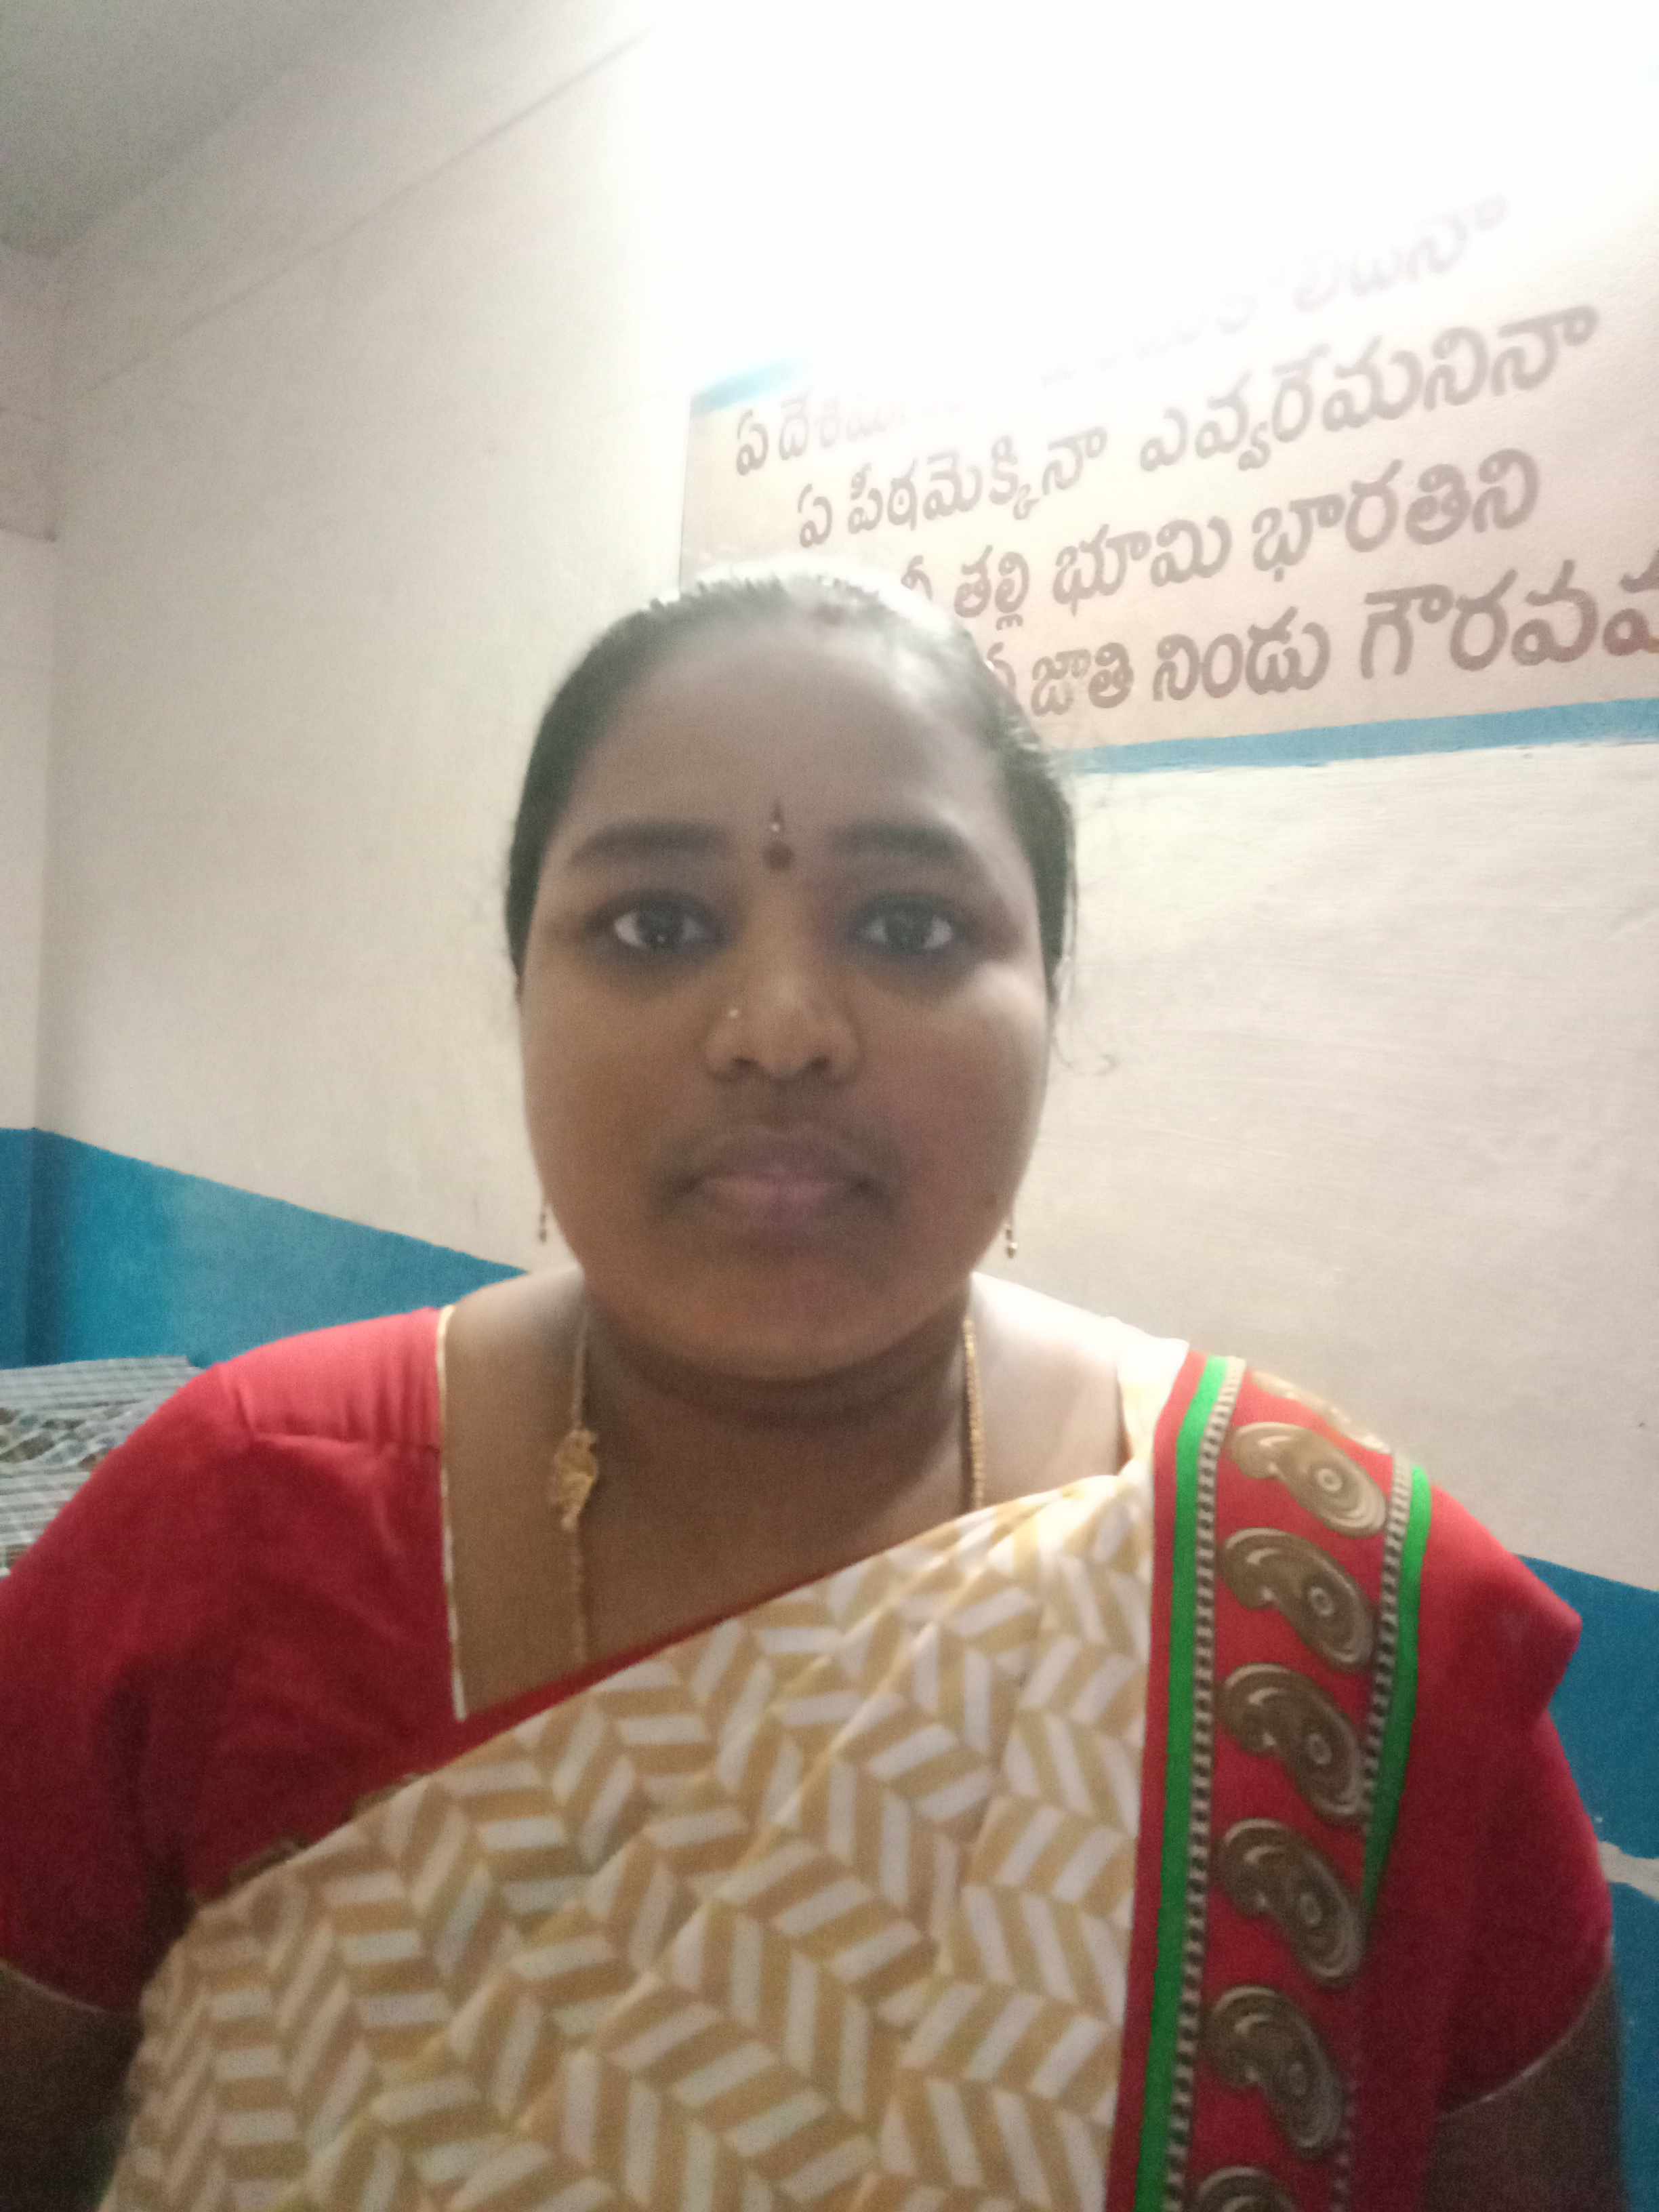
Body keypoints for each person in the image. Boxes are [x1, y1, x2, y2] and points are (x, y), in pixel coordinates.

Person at [0, 570, 1623, 2212]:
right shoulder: (230, 1521)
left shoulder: (1333, 1612)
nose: (779, 1031)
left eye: (911, 927)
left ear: (1049, 999)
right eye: (657, 926)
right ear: (524, 993)